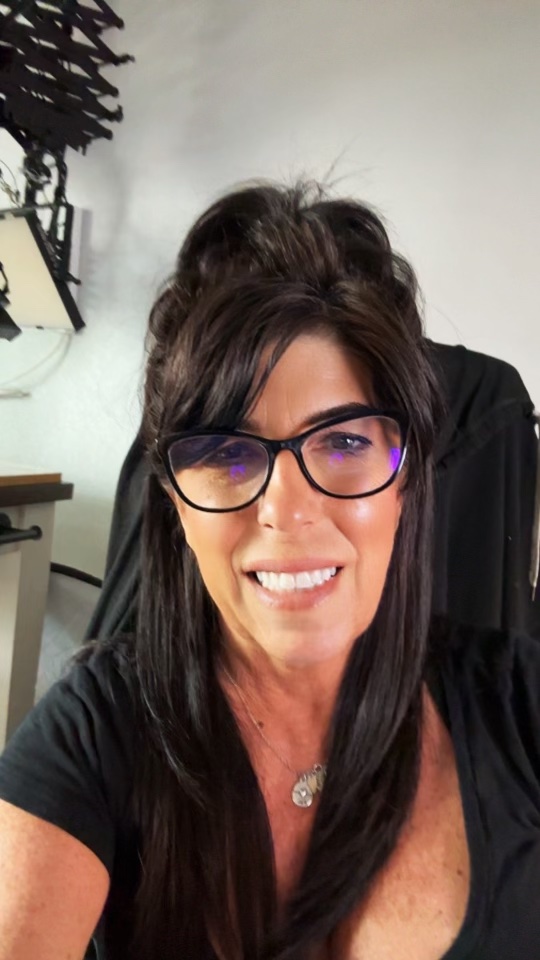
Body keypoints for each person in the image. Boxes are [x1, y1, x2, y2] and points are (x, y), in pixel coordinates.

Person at [0, 182, 539, 960]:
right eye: (226, 450)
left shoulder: (519, 709)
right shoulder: (92, 735)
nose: (287, 512)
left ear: (407, 482)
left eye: (345, 442)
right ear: (175, 505)